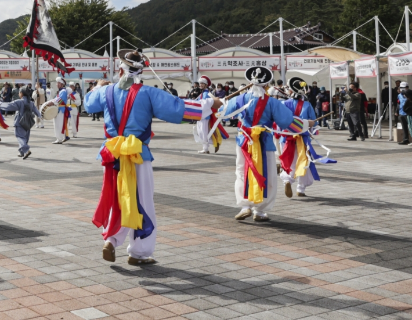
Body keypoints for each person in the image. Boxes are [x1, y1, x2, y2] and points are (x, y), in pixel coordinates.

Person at [84, 51, 219, 265]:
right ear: (141, 71)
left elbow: (88, 104)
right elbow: (179, 109)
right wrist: (210, 104)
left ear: (120, 69)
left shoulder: (105, 92)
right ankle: (139, 252)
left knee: (115, 198)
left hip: (111, 154)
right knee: (141, 202)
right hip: (137, 154)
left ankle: (110, 239)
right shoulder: (148, 93)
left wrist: (99, 86)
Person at [221, 66, 311, 223]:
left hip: (244, 141)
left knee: (242, 172)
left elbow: (222, 113)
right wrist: (306, 124)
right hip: (264, 141)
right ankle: (260, 211)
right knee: (267, 174)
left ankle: (245, 206)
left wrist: (223, 102)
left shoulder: (238, 99)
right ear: (267, 85)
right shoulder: (273, 103)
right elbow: (287, 122)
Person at [279, 77, 322, 198]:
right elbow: (314, 122)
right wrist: (311, 128)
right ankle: (301, 188)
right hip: (302, 139)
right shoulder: (307, 105)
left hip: (286, 138)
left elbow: (278, 122)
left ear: (291, 91)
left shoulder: (283, 104)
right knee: (303, 161)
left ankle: (287, 180)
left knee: (289, 160)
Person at [0, 86, 41, 159]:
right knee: (25, 138)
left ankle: (26, 150)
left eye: (19, 92)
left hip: (20, 123)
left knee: (20, 137)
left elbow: (8, 106)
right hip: (28, 123)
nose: (19, 93)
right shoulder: (31, 102)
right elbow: (37, 112)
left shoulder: (19, 101)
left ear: (21, 93)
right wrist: (40, 116)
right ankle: (22, 152)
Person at [42, 76, 73, 144]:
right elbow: (55, 99)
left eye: (58, 83)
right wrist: (50, 102)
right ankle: (62, 137)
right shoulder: (61, 91)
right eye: (57, 83)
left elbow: (59, 100)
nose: (57, 84)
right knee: (59, 124)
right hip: (59, 110)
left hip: (61, 110)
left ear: (62, 84)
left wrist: (52, 103)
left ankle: (59, 139)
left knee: (58, 124)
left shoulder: (63, 91)